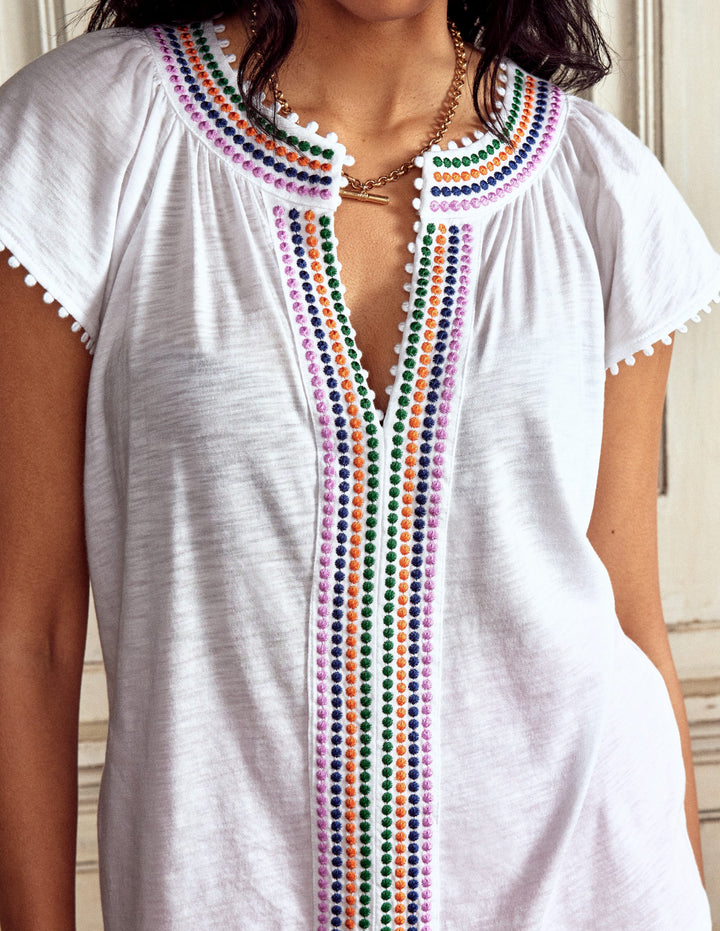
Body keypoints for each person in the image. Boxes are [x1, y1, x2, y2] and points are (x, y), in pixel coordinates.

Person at [0, 0, 718, 928]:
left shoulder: (600, 188)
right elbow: (27, 629)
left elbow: (629, 618)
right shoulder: (90, 138)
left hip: (595, 884)